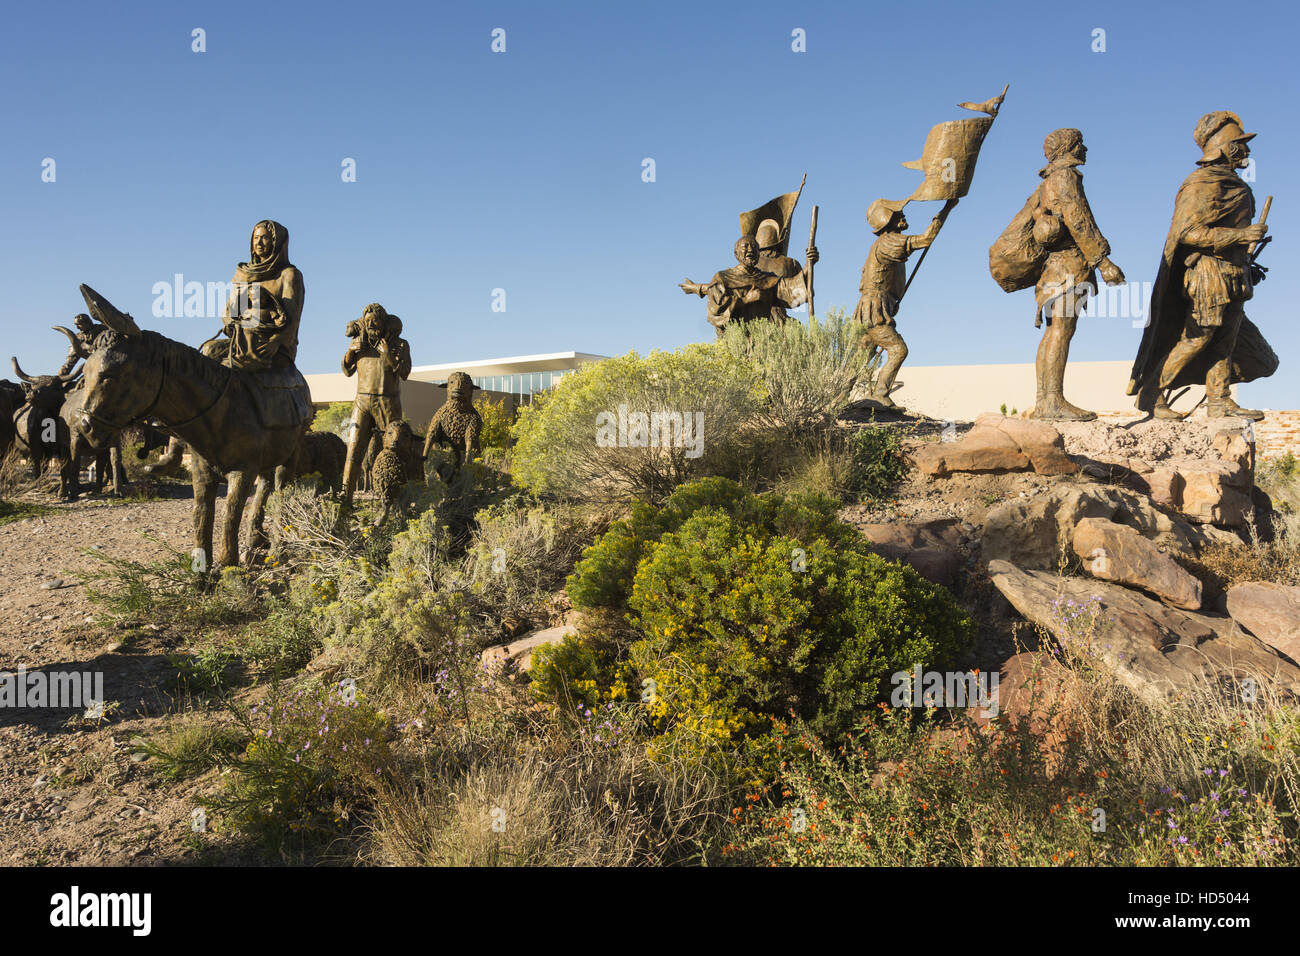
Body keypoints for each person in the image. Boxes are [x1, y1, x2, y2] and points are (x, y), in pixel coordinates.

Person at [1127, 111, 1276, 421]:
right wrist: (1242, 234)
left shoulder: (1232, 182)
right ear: (1224, 147)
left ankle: (1219, 399)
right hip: (1208, 274)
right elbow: (1188, 233)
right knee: (1199, 336)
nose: (1247, 150)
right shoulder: (1201, 183)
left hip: (1235, 273)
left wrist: (1246, 253)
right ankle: (1151, 393)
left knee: (1226, 340)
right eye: (1240, 144)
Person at [852, 198, 953, 407]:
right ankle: (879, 395)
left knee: (860, 358)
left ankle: (835, 398)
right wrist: (945, 210)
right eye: (898, 214)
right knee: (899, 350)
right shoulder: (889, 240)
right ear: (888, 220)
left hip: (872, 308)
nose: (903, 216)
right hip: (874, 309)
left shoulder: (881, 243)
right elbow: (925, 240)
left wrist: (891, 301)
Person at [203, 220, 304, 372]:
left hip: (273, 345)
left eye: (264, 238)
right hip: (242, 339)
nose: (259, 242)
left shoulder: (288, 275)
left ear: (276, 242)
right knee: (209, 350)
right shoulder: (246, 275)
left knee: (233, 366)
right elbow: (229, 312)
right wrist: (231, 322)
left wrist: (276, 341)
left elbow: (292, 319)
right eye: (256, 238)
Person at [341, 303, 412, 506]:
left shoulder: (400, 344)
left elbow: (405, 373)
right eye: (368, 320)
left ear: (384, 322)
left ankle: (396, 499)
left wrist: (387, 353)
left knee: (395, 450)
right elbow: (346, 371)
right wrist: (350, 352)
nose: (371, 324)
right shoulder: (358, 343)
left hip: (387, 402)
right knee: (353, 450)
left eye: (376, 320)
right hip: (361, 401)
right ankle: (345, 499)